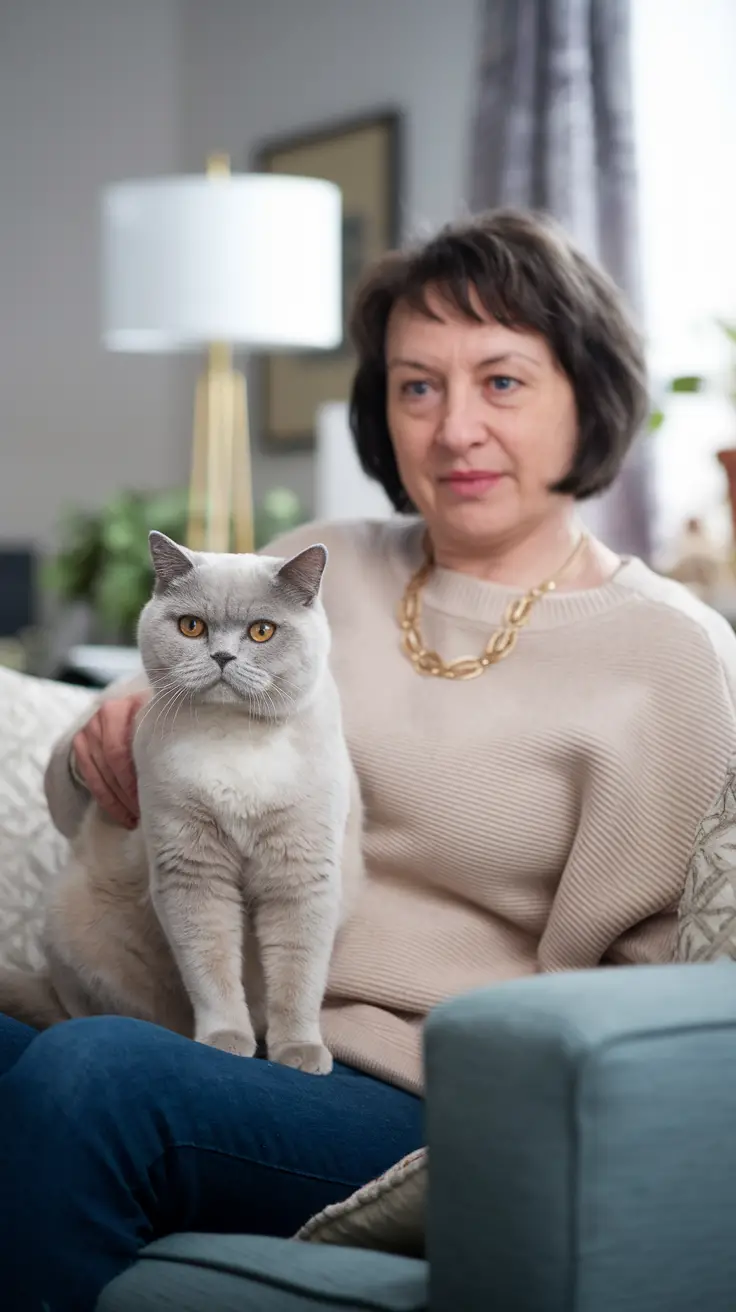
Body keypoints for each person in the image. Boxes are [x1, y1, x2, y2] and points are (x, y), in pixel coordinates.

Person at [3, 208, 736, 1310]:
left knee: (92, 1078)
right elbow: (90, 802)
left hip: (424, 1103)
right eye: (415, 386)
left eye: (501, 381)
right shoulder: (317, 566)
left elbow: (648, 1001)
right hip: (208, 1029)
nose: (452, 429)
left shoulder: (670, 654)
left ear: (584, 392)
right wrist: (103, 739)